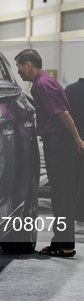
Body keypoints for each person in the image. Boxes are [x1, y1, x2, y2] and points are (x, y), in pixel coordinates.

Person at [14, 49, 84, 258]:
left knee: (61, 195)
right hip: (58, 141)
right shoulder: (44, 83)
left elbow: (63, 113)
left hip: (59, 143)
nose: (18, 72)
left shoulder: (43, 84)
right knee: (60, 194)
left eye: (19, 67)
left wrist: (77, 139)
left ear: (29, 64)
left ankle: (64, 245)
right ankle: (61, 243)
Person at [65, 78, 84, 228]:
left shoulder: (70, 90)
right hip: (76, 141)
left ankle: (75, 219)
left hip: (73, 142)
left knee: (73, 179)